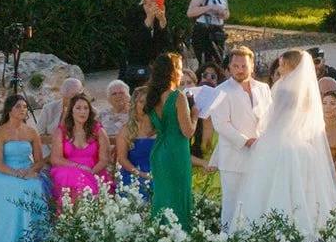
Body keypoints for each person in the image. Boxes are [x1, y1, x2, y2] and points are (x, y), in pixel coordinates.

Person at [229, 50, 336, 240]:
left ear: (290, 66)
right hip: (299, 146)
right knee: (302, 194)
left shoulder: (283, 88)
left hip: (277, 145)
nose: (279, 68)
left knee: (267, 191)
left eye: (282, 64)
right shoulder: (305, 91)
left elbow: (273, 120)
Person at [207, 46, 271, 231]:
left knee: (257, 201)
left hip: (260, 154)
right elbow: (221, 124)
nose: (239, 69)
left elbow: (269, 117)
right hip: (234, 156)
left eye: (243, 65)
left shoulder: (263, 88)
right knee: (232, 203)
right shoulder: (221, 90)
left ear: (252, 66)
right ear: (229, 67)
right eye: (235, 65)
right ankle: (228, 240)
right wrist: (246, 141)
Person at [0, 94, 47, 242]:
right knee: (17, 188)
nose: (22, 110)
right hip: (4, 172)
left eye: (25, 107)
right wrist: (16, 174)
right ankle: (13, 240)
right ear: (9, 110)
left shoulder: (31, 132)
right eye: (18, 106)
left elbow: (39, 161)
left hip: (27, 169)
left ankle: (34, 239)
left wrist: (31, 171)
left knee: (35, 186)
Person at [146, 53, 195, 229]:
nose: (182, 73)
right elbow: (188, 131)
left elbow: (148, 129)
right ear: (172, 72)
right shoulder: (178, 97)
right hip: (176, 151)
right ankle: (182, 236)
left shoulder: (152, 97)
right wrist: (195, 115)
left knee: (162, 197)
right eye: (180, 68)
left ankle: (160, 234)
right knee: (180, 196)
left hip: (159, 151)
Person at [49, 92, 112, 207]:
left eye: (86, 108)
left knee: (81, 180)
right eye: (78, 108)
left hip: (93, 171)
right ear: (71, 111)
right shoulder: (61, 131)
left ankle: (83, 214)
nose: (82, 112)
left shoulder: (98, 131)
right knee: (69, 175)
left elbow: (104, 159)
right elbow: (55, 158)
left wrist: (91, 172)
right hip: (67, 169)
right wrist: (79, 167)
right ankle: (70, 215)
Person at [123, 0, 173, 86]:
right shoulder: (133, 13)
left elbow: (166, 43)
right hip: (136, 63)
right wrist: (149, 18)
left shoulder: (163, 13)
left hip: (155, 65)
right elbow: (134, 40)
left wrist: (162, 21)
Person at [187, 0, 230, 71]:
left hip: (217, 29)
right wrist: (210, 7)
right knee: (207, 65)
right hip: (204, 30)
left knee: (218, 62)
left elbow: (227, 10)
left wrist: (224, 14)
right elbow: (191, 12)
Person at [115, 86, 154, 194]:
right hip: (134, 174)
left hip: (159, 173)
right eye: (141, 102)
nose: (145, 105)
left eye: (148, 101)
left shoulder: (160, 129)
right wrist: (141, 174)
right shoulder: (126, 130)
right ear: (135, 105)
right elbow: (122, 159)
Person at [36, 77, 84, 157]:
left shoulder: (88, 111)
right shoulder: (48, 109)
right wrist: (50, 158)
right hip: (49, 157)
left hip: (77, 157)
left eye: (73, 99)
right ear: (61, 94)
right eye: (66, 98)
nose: (69, 102)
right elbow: (38, 135)